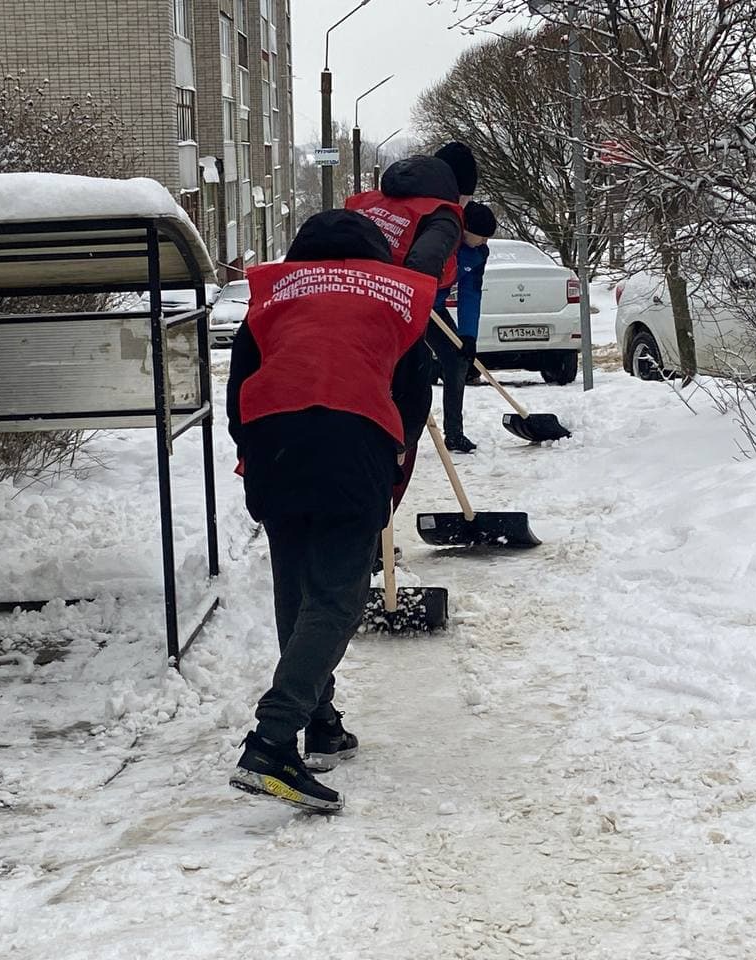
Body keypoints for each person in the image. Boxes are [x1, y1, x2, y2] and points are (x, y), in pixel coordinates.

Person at [225, 210, 439, 814]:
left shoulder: (273, 300)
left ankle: (320, 721)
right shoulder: (390, 299)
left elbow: (240, 383)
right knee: (338, 597)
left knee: (295, 587)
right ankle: (272, 741)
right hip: (352, 444)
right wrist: (391, 460)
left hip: (276, 446)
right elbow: (413, 397)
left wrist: (257, 451)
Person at [345, 141, 479, 528]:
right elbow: (421, 265)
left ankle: (358, 538)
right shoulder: (443, 215)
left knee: (355, 433)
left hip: (339, 318)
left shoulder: (370, 201)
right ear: (461, 192)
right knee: (401, 434)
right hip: (386, 335)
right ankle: (371, 537)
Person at [429, 201, 497, 453]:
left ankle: (454, 433)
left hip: (434, 309)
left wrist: (469, 335)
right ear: (465, 229)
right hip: (410, 304)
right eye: (482, 236)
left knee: (457, 361)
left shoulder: (478, 253)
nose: (485, 242)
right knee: (407, 368)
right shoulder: (442, 240)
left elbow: (471, 293)